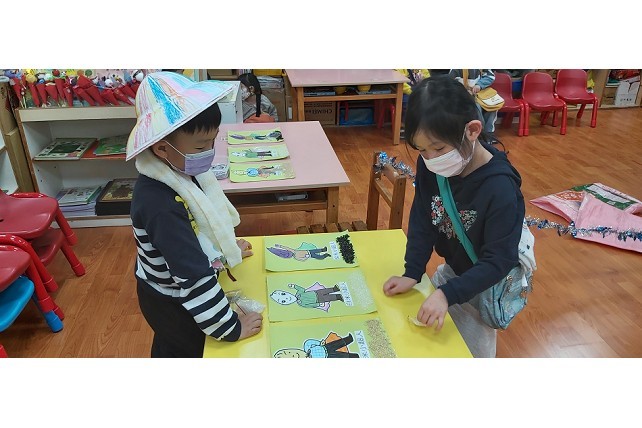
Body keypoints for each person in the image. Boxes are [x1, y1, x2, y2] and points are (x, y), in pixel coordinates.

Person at [382, 75, 526, 358]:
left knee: (471, 353)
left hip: (484, 284)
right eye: (421, 150)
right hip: (454, 274)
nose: (430, 158)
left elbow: (498, 260)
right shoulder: (431, 165)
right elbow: (423, 217)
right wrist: (413, 271)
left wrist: (447, 294)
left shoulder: (500, 188)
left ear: (472, 130)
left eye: (438, 148)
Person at [127, 71, 263, 357]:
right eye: (201, 146)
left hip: (179, 283)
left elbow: (199, 227)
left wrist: (223, 251)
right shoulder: (159, 204)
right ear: (162, 148)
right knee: (184, 349)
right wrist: (231, 327)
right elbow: (192, 276)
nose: (209, 152)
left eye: (213, 141)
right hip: (171, 300)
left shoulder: (178, 170)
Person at [449, 69, 498, 136]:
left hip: (480, 94)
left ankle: (489, 132)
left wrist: (479, 85)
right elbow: (450, 84)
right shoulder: (455, 70)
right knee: (476, 107)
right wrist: (464, 91)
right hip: (463, 96)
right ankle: (481, 133)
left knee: (492, 106)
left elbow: (490, 76)